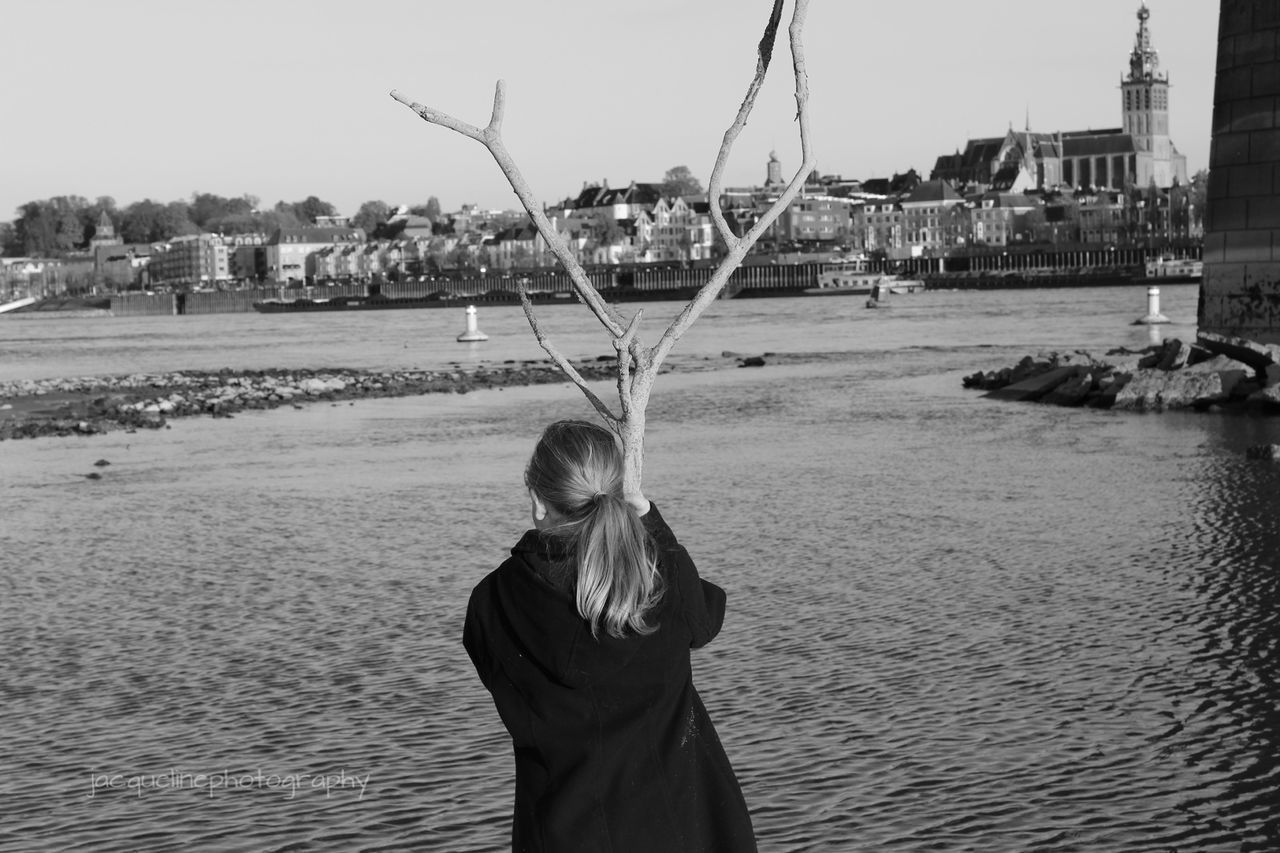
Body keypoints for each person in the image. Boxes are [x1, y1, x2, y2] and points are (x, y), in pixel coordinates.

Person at [463, 419, 757, 853]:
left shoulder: (492, 601)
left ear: (538, 502)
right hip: (681, 828)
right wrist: (651, 524)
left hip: (560, 832)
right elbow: (702, 621)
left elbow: (504, 676)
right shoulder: (660, 577)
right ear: (618, 494)